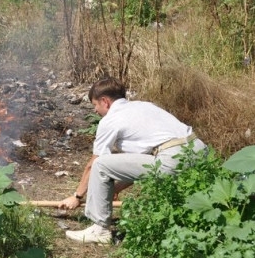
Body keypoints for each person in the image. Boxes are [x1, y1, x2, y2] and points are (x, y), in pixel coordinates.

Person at [58, 77, 206, 244]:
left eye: (95, 105)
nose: (95, 111)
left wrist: (76, 196)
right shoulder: (145, 106)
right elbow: (145, 161)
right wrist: (115, 188)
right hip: (200, 152)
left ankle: (99, 230)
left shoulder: (110, 120)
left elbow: (93, 165)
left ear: (105, 101)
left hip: (172, 158)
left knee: (101, 164)